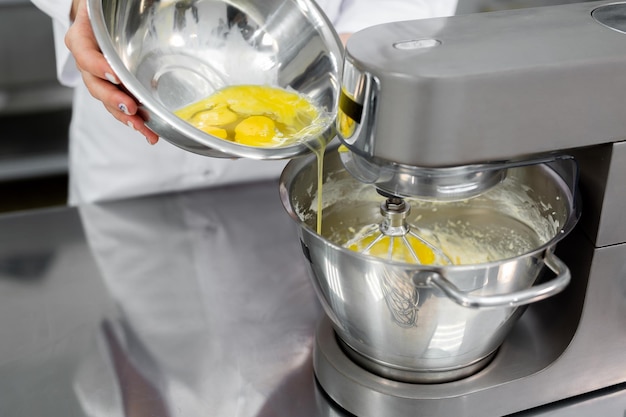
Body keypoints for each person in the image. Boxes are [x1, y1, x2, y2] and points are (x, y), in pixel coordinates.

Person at [31, 0, 458, 205]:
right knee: (137, 336)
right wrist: (79, 6)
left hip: (288, 146)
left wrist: (366, 42)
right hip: (134, 126)